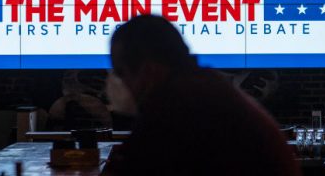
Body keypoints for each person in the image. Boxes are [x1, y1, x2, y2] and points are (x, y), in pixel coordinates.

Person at [102, 15, 300, 176]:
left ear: (149, 70)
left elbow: (139, 161)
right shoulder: (203, 86)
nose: (117, 83)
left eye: (121, 73)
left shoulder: (180, 104)